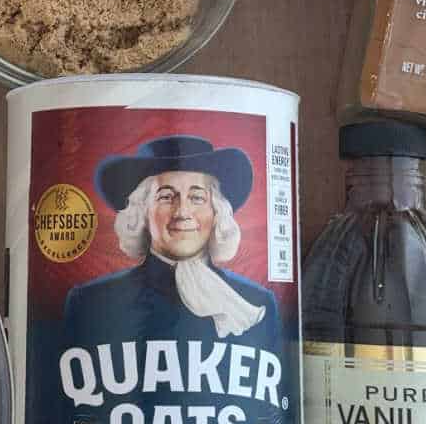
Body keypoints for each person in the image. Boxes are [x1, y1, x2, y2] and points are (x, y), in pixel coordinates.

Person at [64, 135, 279, 350]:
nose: (183, 212)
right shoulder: (90, 303)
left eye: (197, 198)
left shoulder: (256, 303)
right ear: (142, 213)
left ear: (216, 211)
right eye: (166, 197)